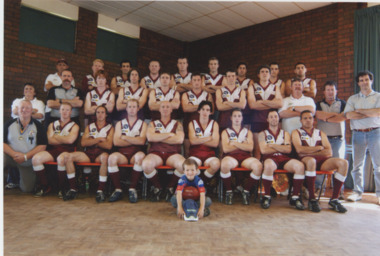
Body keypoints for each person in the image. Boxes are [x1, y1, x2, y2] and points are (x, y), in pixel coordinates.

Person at [292, 110, 348, 213]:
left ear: (313, 120)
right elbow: (299, 150)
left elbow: (329, 152)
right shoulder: (296, 132)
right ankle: (312, 199)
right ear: (301, 120)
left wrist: (308, 151)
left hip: (322, 161)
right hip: (306, 161)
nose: (308, 120)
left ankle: (334, 199)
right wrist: (318, 148)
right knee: (311, 161)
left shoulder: (320, 133)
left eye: (310, 118)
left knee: (343, 163)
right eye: (305, 118)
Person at [58, 105, 114, 202]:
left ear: (106, 115)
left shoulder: (110, 128)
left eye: (102, 112)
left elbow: (108, 146)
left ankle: (100, 190)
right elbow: (84, 143)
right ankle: (73, 189)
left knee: (105, 157)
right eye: (98, 112)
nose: (100, 115)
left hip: (100, 154)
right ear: (95, 114)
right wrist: (99, 139)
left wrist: (92, 140)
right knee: (67, 156)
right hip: (88, 153)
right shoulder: (90, 126)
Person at [255, 110, 305, 209]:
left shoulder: (285, 133)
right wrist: (281, 146)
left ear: (279, 119)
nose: (274, 119)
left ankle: (295, 197)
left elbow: (288, 149)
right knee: (268, 165)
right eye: (271, 117)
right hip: (270, 158)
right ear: (267, 119)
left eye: (275, 117)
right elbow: (264, 150)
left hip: (284, 158)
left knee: (300, 166)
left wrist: (272, 145)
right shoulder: (262, 134)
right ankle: (267, 196)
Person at [344, 70, 380, 204]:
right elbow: (348, 115)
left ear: (371, 81)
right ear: (358, 83)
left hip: (375, 133)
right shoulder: (353, 99)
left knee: (378, 165)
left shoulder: (378, 96)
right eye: (361, 80)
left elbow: (379, 112)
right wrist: (370, 113)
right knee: (357, 165)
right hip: (358, 134)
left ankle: (379, 194)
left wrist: (359, 111)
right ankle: (357, 192)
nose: (364, 82)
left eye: (366, 79)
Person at [32, 103, 80, 197]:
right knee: (36, 159)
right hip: (53, 151)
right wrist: (63, 138)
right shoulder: (52, 124)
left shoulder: (75, 125)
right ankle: (45, 186)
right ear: (59, 111)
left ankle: (62, 188)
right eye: (62, 109)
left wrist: (56, 136)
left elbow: (70, 141)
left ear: (71, 112)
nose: (65, 112)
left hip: (68, 151)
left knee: (61, 159)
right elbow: (49, 141)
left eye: (67, 110)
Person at [141, 101, 185, 202]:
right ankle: (158, 187)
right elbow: (150, 138)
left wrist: (159, 137)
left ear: (171, 110)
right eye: (163, 107)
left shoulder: (177, 124)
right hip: (156, 152)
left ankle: (170, 187)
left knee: (183, 165)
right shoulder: (153, 124)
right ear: (159, 109)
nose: (165, 109)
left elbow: (179, 140)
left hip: (172, 153)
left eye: (167, 107)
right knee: (146, 165)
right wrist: (169, 135)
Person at [108, 99, 147, 203]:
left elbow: (142, 141)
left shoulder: (143, 124)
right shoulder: (120, 124)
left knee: (140, 157)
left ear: (138, 109)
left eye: (134, 107)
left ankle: (132, 189)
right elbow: (116, 142)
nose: (132, 109)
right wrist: (134, 140)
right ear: (126, 109)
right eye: (129, 107)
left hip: (136, 154)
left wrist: (125, 137)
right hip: (122, 155)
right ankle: (118, 190)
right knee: (111, 158)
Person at [220, 108, 263, 205]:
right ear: (231, 118)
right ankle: (229, 192)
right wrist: (242, 144)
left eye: (239, 116)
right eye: (235, 116)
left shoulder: (247, 132)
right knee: (225, 164)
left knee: (258, 166)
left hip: (245, 157)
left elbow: (250, 148)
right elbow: (226, 149)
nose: (237, 118)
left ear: (242, 118)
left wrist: (234, 143)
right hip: (231, 157)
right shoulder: (225, 132)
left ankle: (246, 191)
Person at [4, 100, 47, 193]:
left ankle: (19, 180)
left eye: (27, 108)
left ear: (32, 110)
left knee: (27, 189)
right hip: (10, 157)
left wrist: (25, 156)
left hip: (27, 160)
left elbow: (42, 146)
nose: (24, 110)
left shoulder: (38, 126)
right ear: (17, 110)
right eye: (22, 107)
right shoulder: (8, 124)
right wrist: (14, 154)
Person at [315, 81, 346, 197]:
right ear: (324, 92)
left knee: (339, 165)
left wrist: (326, 118)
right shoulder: (318, 104)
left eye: (332, 90)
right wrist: (334, 116)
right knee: (320, 164)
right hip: (322, 140)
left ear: (336, 91)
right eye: (328, 90)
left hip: (338, 139)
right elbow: (318, 115)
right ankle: (318, 189)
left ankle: (339, 192)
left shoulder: (342, 103)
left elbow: (342, 117)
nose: (330, 92)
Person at [247, 65, 283, 159]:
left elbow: (279, 104)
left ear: (270, 74)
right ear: (258, 75)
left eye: (267, 72)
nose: (264, 73)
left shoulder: (275, 87)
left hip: (272, 122)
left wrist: (262, 102)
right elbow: (252, 105)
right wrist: (271, 103)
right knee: (257, 150)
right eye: (262, 72)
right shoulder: (252, 87)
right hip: (257, 121)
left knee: (271, 148)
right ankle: (258, 171)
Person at [188, 101, 220, 186]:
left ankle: (202, 182)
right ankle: (200, 185)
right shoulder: (192, 123)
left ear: (211, 112)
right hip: (195, 154)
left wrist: (199, 139)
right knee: (190, 165)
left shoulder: (214, 124)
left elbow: (215, 143)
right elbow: (192, 141)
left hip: (209, 155)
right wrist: (208, 138)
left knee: (216, 164)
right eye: (203, 109)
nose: (205, 112)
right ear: (199, 111)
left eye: (207, 110)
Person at [182, 73, 213, 157]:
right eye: (194, 80)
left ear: (202, 81)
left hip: (204, 126)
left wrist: (192, 106)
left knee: (203, 151)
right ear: (191, 81)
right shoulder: (186, 94)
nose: (196, 82)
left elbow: (211, 109)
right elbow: (185, 108)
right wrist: (203, 106)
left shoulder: (207, 95)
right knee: (187, 152)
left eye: (198, 80)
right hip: (188, 123)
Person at [235, 62, 253, 128]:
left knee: (246, 126)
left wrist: (237, 92)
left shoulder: (250, 81)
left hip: (246, 108)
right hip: (235, 106)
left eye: (243, 68)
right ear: (237, 70)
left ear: (246, 70)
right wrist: (244, 91)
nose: (242, 70)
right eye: (240, 68)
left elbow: (250, 93)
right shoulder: (233, 80)